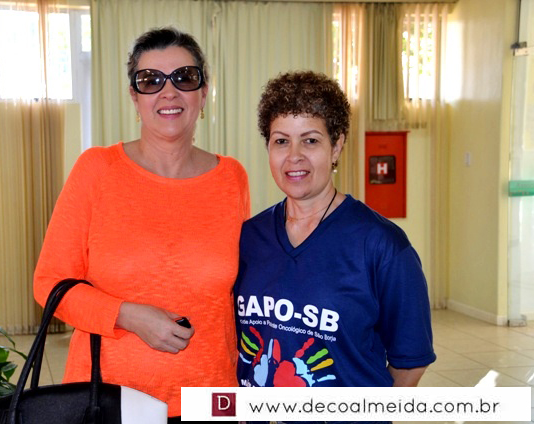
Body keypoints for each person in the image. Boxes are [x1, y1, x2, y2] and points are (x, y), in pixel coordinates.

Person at [34, 27, 250, 421]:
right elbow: (49, 284)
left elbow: (242, 291)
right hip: (109, 400)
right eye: (150, 80)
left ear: (204, 93)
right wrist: (127, 315)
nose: (169, 92)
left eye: (184, 77)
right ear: (134, 97)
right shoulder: (97, 169)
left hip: (212, 399)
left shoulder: (231, 178)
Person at [235, 71, 435, 398]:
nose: (294, 156)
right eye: (281, 141)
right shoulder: (249, 238)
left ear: (337, 146)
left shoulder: (382, 245)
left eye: (310, 140)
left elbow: (411, 362)